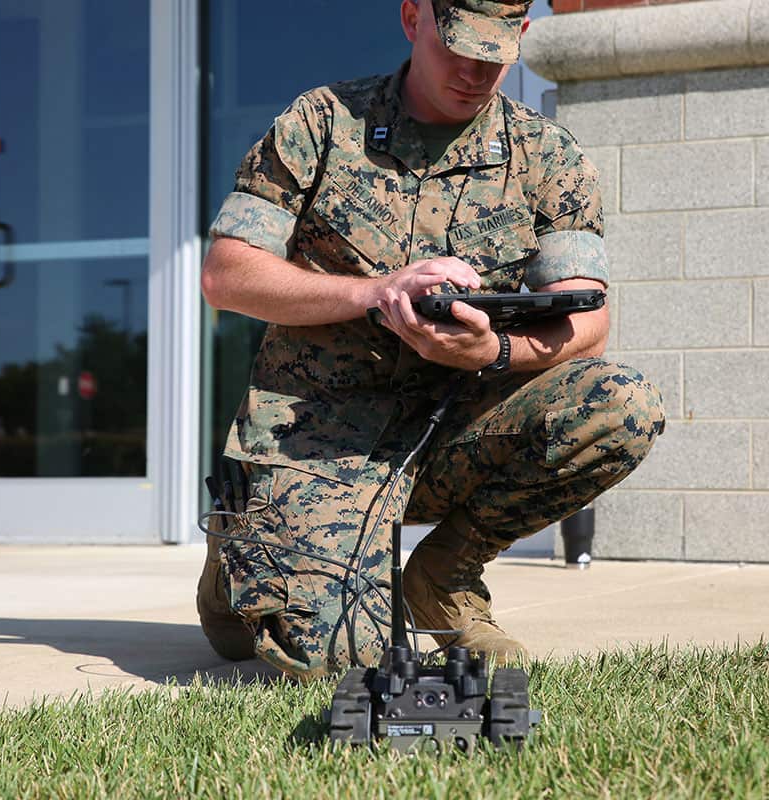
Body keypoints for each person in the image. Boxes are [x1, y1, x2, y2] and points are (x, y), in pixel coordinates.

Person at [197, 0, 665, 680]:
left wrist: (494, 352)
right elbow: (227, 275)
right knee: (337, 660)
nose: (477, 71)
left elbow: (586, 321)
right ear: (413, 16)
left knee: (621, 403)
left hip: (458, 426)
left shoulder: (548, 156)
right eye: (459, 47)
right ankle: (237, 551)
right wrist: (375, 291)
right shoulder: (321, 125)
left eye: (495, 53)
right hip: (322, 430)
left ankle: (444, 577)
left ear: (522, 37)